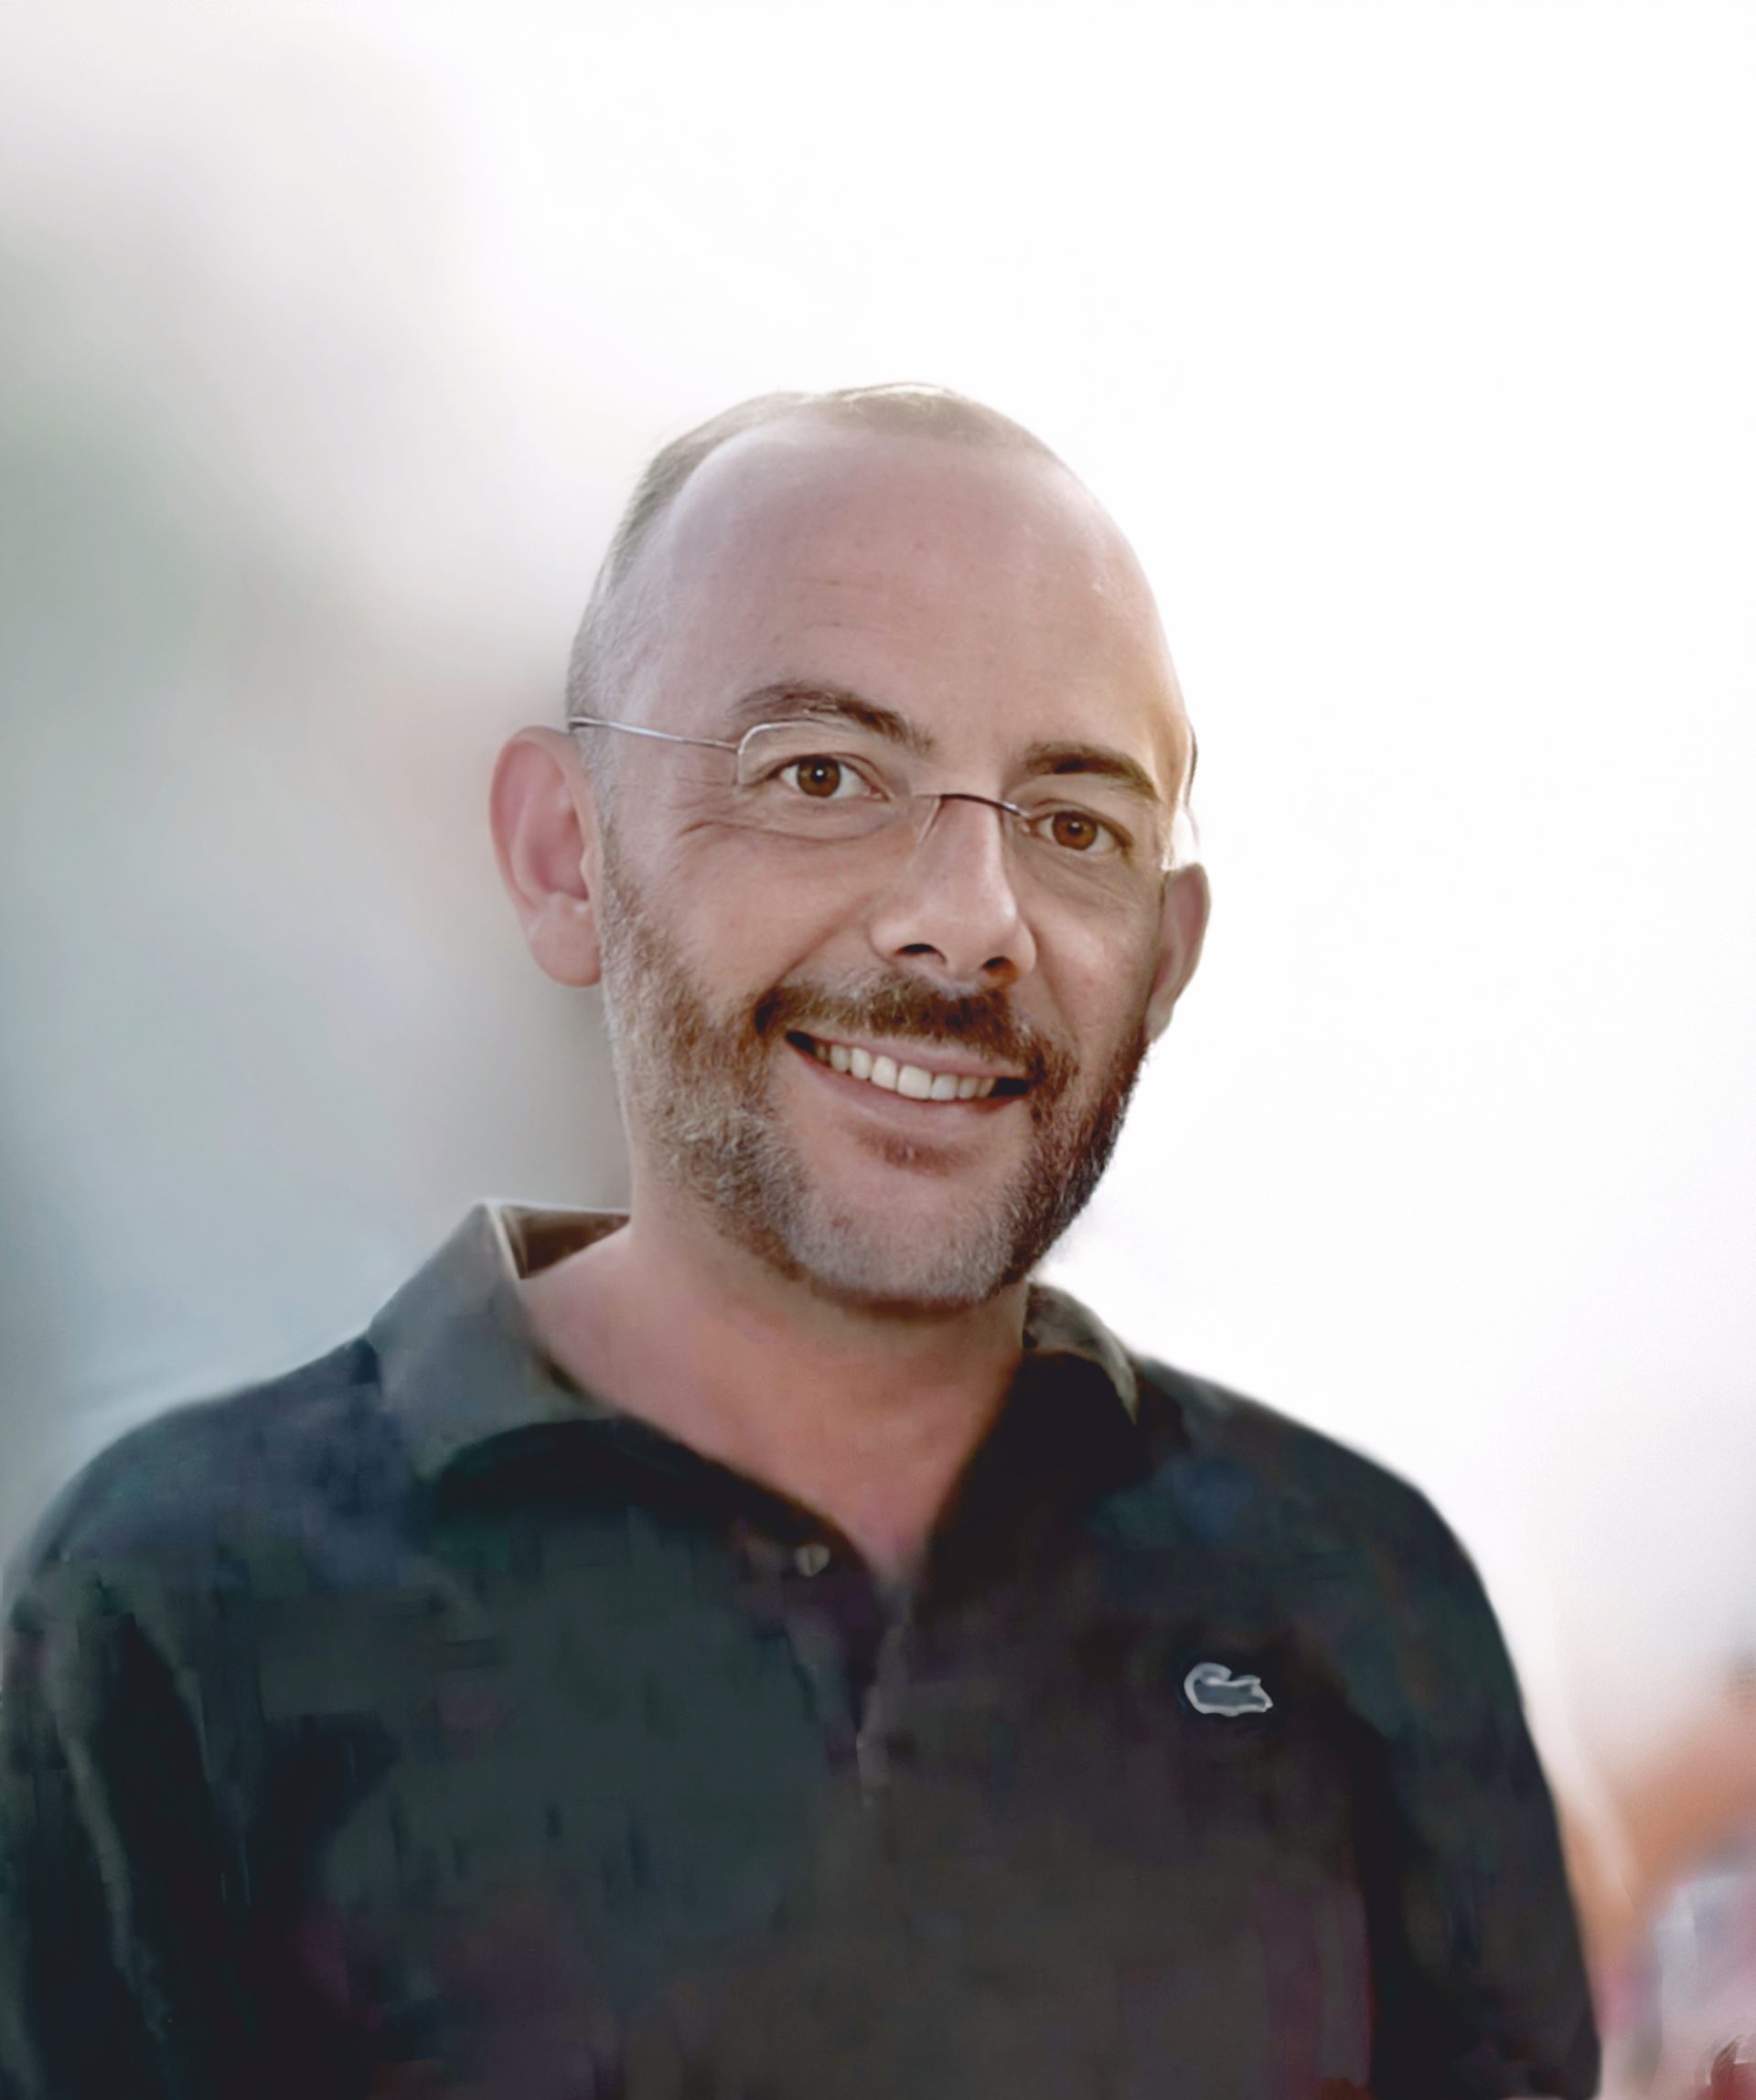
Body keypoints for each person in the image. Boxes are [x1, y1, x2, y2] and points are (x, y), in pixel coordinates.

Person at [0, 384, 1600, 2099]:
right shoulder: (180, 1613)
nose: (969, 923)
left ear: (1168, 956)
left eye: (1077, 825)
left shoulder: (1365, 1603)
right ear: (565, 858)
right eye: (823, 777)